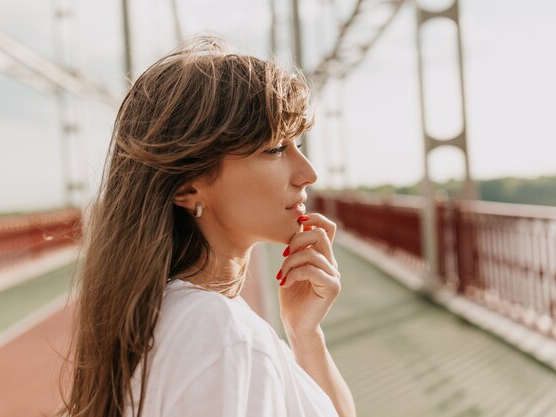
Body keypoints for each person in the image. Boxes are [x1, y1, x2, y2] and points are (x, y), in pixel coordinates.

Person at [58, 35, 356, 417]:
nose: (307, 173)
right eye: (276, 149)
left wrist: (305, 334)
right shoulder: (221, 335)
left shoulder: (173, 319)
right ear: (187, 186)